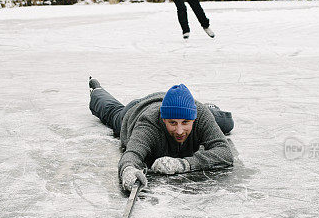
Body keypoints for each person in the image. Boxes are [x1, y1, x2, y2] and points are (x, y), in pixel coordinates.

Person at [89, 77, 234, 193]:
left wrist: (184, 164)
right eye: (172, 123)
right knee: (110, 112)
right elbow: (132, 154)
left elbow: (224, 152)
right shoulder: (148, 124)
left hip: (178, 104)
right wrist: (128, 170)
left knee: (226, 123)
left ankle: (211, 109)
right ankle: (97, 91)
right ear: (164, 119)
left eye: (185, 122)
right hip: (136, 110)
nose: (179, 131)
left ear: (194, 118)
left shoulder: (201, 114)